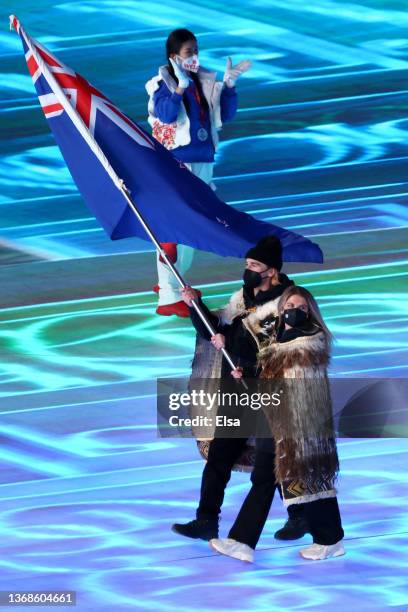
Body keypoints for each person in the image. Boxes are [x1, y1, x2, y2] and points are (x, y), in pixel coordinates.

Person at [171, 236, 310, 541]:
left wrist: (234, 346)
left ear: (271, 270)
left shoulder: (290, 301)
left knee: (275, 457)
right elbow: (215, 329)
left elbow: (288, 347)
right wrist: (195, 304)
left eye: (254, 265)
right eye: (247, 264)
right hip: (236, 388)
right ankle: (206, 519)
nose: (248, 269)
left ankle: (300, 515)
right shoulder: (242, 298)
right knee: (220, 455)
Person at [210, 286, 345, 562]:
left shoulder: (309, 343)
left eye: (301, 307)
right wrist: (247, 373)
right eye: (288, 306)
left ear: (310, 311)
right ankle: (242, 542)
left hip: (298, 424)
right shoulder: (280, 339)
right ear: (281, 310)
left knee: (311, 478)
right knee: (263, 479)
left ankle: (330, 539)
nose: (293, 310)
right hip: (276, 422)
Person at [145, 28, 251, 317]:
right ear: (173, 56)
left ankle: (170, 281)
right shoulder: (161, 83)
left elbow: (223, 115)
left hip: (203, 158)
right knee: (176, 226)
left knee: (195, 223)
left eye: (196, 50)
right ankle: (168, 294)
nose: (194, 56)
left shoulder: (202, 80)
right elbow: (165, 115)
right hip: (179, 162)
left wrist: (229, 86)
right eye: (188, 52)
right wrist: (178, 88)